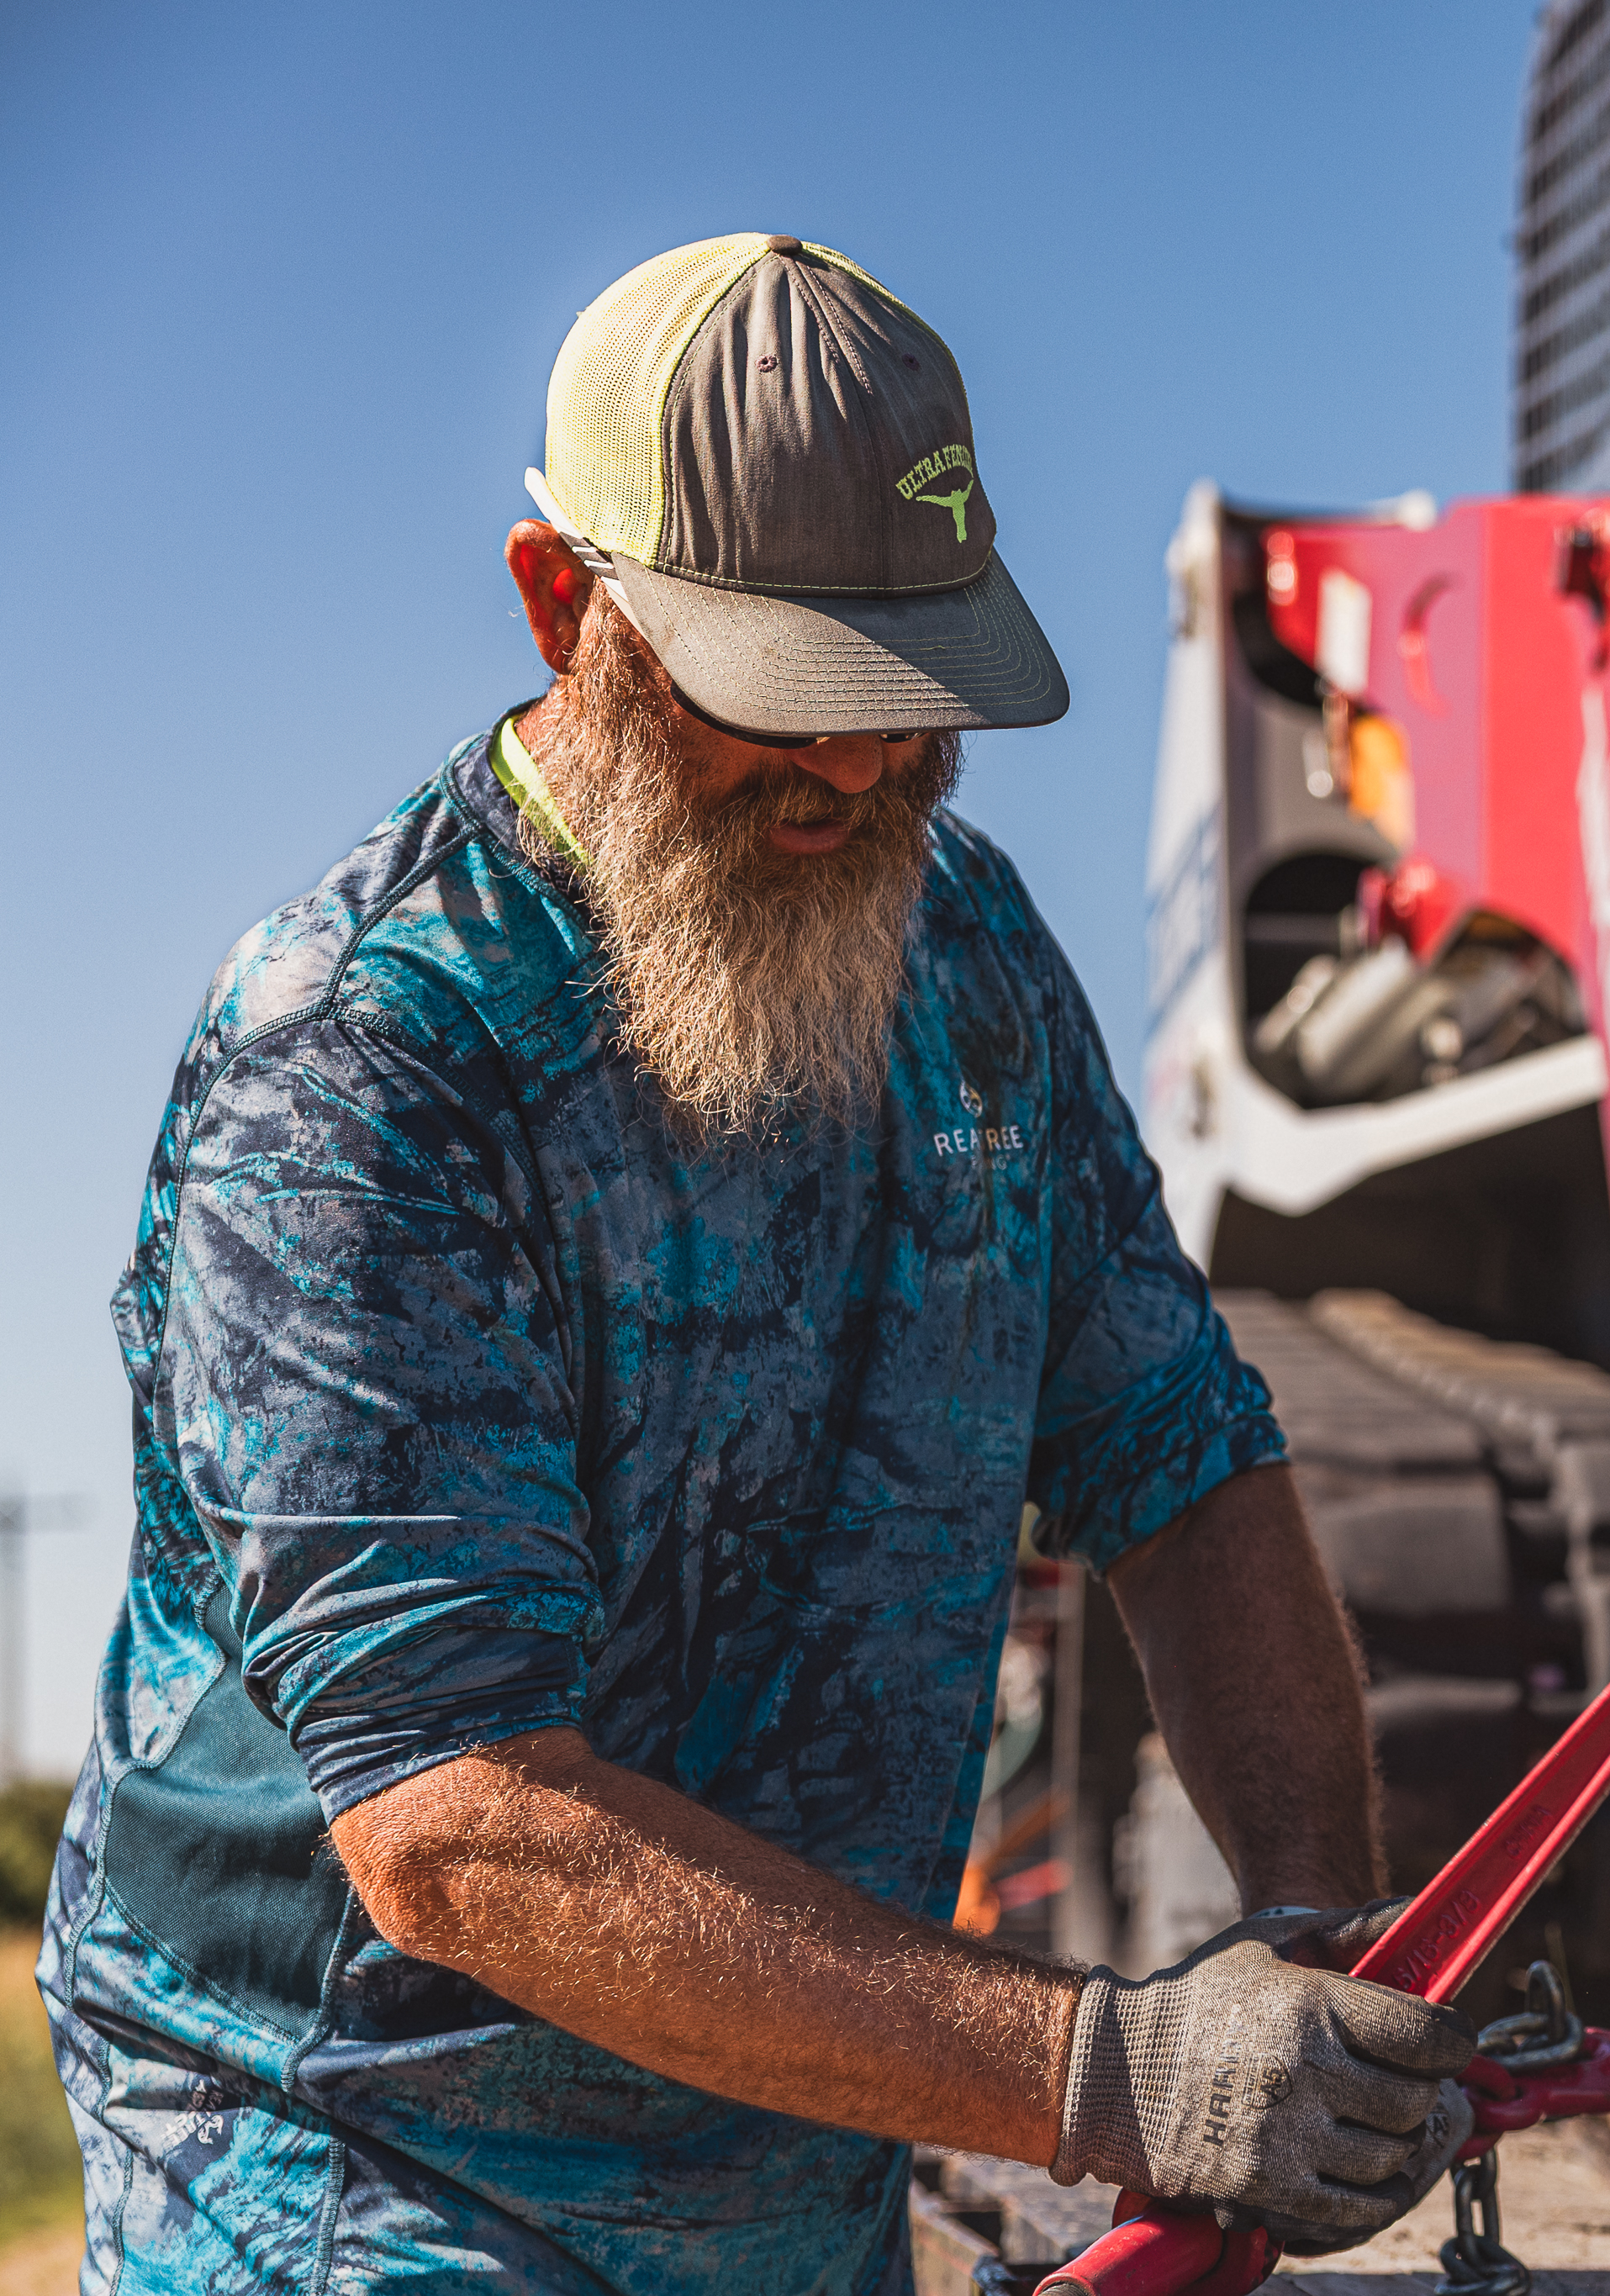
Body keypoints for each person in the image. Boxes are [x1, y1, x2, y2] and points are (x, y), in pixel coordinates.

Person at [47, 231, 1471, 2292]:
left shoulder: (966, 956)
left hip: (798, 2170)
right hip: (369, 2184)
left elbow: (1181, 1459)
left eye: (912, 700)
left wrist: (1308, 1952)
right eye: (788, 698)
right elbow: (455, 1823)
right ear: (564, 606)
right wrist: (1115, 2072)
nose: (862, 771)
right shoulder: (364, 1055)